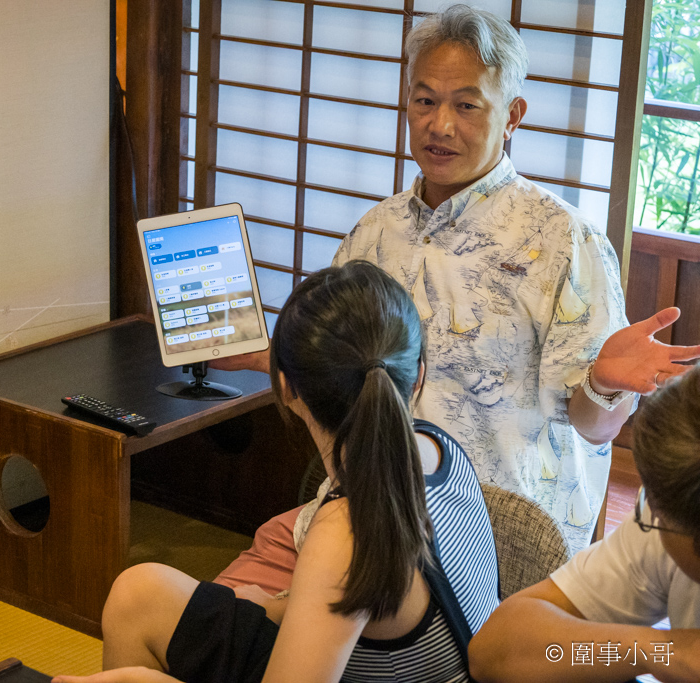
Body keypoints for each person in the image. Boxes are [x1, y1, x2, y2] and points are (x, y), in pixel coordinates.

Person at [213, 4, 674, 572]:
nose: (441, 125)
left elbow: (594, 427)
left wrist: (604, 385)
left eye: (466, 105)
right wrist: (263, 354)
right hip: (370, 509)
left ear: (512, 116)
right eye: (425, 100)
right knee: (215, 596)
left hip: (493, 538)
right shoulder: (375, 231)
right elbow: (337, 370)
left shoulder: (563, 239)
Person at [54, 260, 500, 683]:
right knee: (138, 592)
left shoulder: (344, 533)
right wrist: (280, 605)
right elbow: (370, 600)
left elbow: (352, 574)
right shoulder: (437, 447)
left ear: (285, 387)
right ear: (417, 376)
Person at [467, 363, 700, 683]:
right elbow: (495, 649)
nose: (650, 512)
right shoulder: (668, 518)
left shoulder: (675, 517)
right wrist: (654, 650)